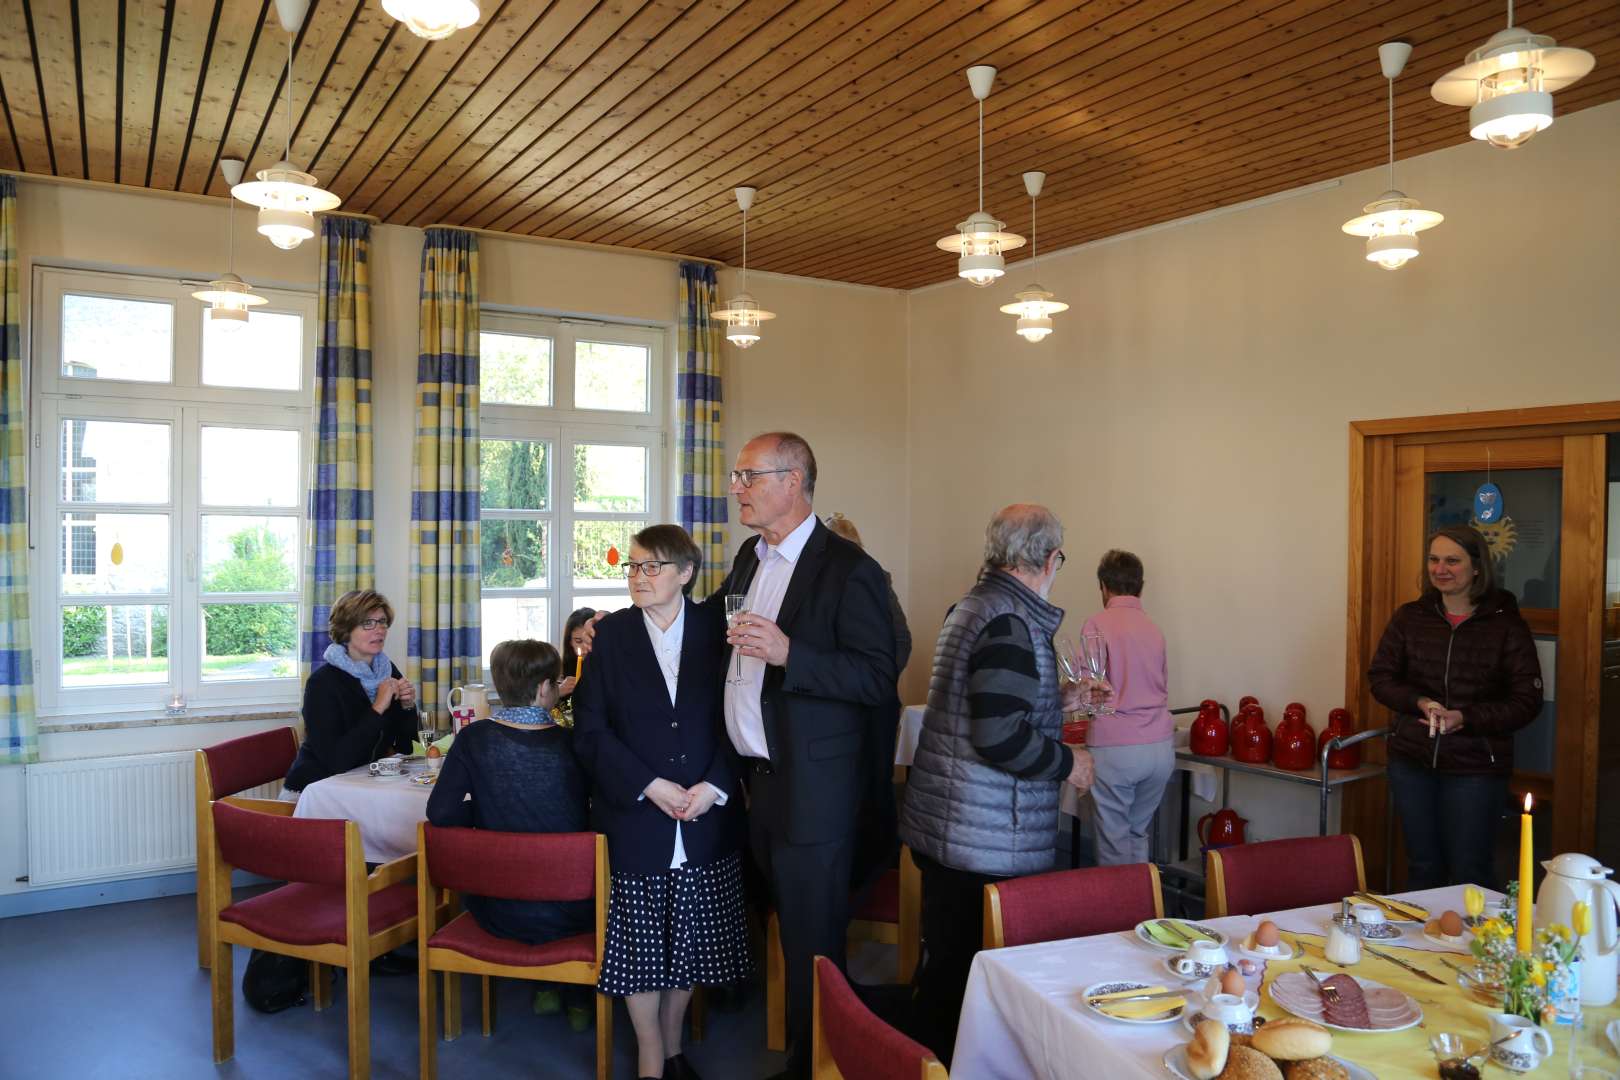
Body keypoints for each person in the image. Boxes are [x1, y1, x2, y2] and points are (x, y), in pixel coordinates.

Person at [718, 433, 899, 1080]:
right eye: (736, 476)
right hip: (759, 785)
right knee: (786, 936)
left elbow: (880, 675)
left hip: (816, 794)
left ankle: (816, 1066)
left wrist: (794, 654)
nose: (735, 486)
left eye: (748, 476)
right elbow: (713, 625)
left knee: (814, 947)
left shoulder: (851, 570)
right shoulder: (748, 556)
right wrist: (625, 621)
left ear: (792, 482)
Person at [897, 504, 1096, 1064]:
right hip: (983, 838)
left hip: (957, 826)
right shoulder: (1011, 620)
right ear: (1052, 558)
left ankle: (927, 1062)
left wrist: (1059, 701)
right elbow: (997, 736)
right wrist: (1068, 761)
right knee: (966, 983)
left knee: (947, 972)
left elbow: (980, 708)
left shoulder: (975, 606)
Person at [572, 525, 750, 1080]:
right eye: (631, 566)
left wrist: (714, 788)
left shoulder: (719, 632)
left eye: (651, 567)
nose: (637, 577)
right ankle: (652, 1056)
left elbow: (740, 719)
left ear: (685, 573)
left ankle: (674, 1048)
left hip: (705, 815)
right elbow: (591, 730)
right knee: (642, 951)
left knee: (691, 944)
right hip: (637, 815)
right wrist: (649, 785)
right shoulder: (612, 637)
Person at [424, 638, 596, 1027]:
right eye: (554, 682)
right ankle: (578, 997)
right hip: (572, 911)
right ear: (542, 690)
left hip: (497, 910)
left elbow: (441, 812)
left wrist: (486, 805)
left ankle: (546, 989)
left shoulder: (473, 739)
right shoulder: (574, 745)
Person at [1369, 524, 1543, 890]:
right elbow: (1381, 677)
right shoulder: (1410, 617)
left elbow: (1526, 701)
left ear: (1477, 568)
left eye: (1453, 560)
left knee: (1470, 872)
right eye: (1434, 560)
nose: (1440, 569)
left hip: (1476, 768)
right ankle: (1424, 947)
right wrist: (1419, 701)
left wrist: (1467, 717)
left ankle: (1476, 947)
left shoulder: (1506, 625)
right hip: (1412, 761)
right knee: (1422, 866)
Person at [821, 512, 912, 901]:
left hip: (866, 707)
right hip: (867, 705)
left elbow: (900, 643)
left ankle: (866, 876)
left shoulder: (870, 581)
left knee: (867, 792)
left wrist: (867, 680)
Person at [1080, 549, 1173, 867]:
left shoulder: (1097, 624)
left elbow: (1086, 690)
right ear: (1140, 587)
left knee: (1113, 841)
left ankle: (1117, 913)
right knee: (1137, 833)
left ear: (1103, 586)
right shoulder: (1154, 628)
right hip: (1160, 747)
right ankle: (1141, 910)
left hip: (1116, 748)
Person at [284, 589, 417, 794]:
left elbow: (407, 748)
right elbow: (337, 761)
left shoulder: (386, 670)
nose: (379, 630)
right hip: (315, 789)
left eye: (382, 621)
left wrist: (407, 707)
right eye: (368, 623)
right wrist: (378, 707)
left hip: (364, 782)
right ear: (346, 630)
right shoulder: (322, 683)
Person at [558, 606, 596, 700]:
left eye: (589, 640)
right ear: (570, 642)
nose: (584, 647)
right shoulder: (558, 673)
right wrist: (557, 692)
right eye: (578, 641)